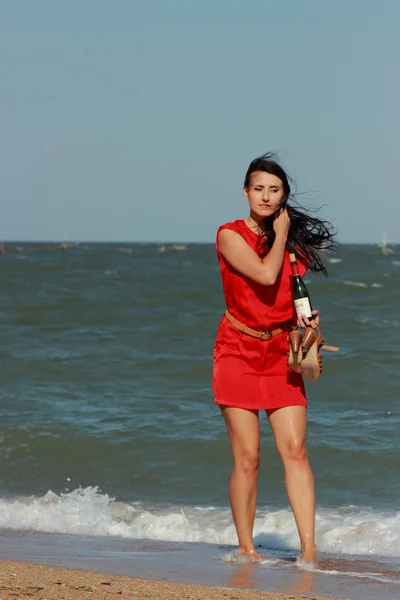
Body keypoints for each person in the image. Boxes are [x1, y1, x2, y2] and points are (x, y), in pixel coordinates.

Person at [212, 152, 335, 565]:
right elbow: (264, 275)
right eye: (259, 188)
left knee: (296, 449)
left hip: (281, 352)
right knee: (248, 457)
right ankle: (246, 549)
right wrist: (281, 235)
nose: (266, 196)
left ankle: (309, 551)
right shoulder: (228, 234)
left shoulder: (292, 246)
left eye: (274, 190)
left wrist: (308, 320)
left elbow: (286, 291)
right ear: (245, 192)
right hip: (237, 351)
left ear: (284, 196)